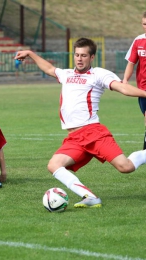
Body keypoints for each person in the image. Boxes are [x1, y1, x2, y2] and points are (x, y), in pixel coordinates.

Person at [15, 37, 146, 208]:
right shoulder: (67, 74)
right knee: (54, 165)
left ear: (92, 57)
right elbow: (49, 68)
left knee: (126, 167)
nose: (79, 58)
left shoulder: (99, 74)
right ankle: (90, 197)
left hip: (93, 133)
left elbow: (122, 87)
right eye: (77, 55)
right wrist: (31, 54)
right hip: (74, 137)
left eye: (84, 55)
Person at [123, 11, 146, 149]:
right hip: (143, 91)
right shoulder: (138, 41)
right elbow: (131, 63)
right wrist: (125, 80)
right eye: (144, 24)